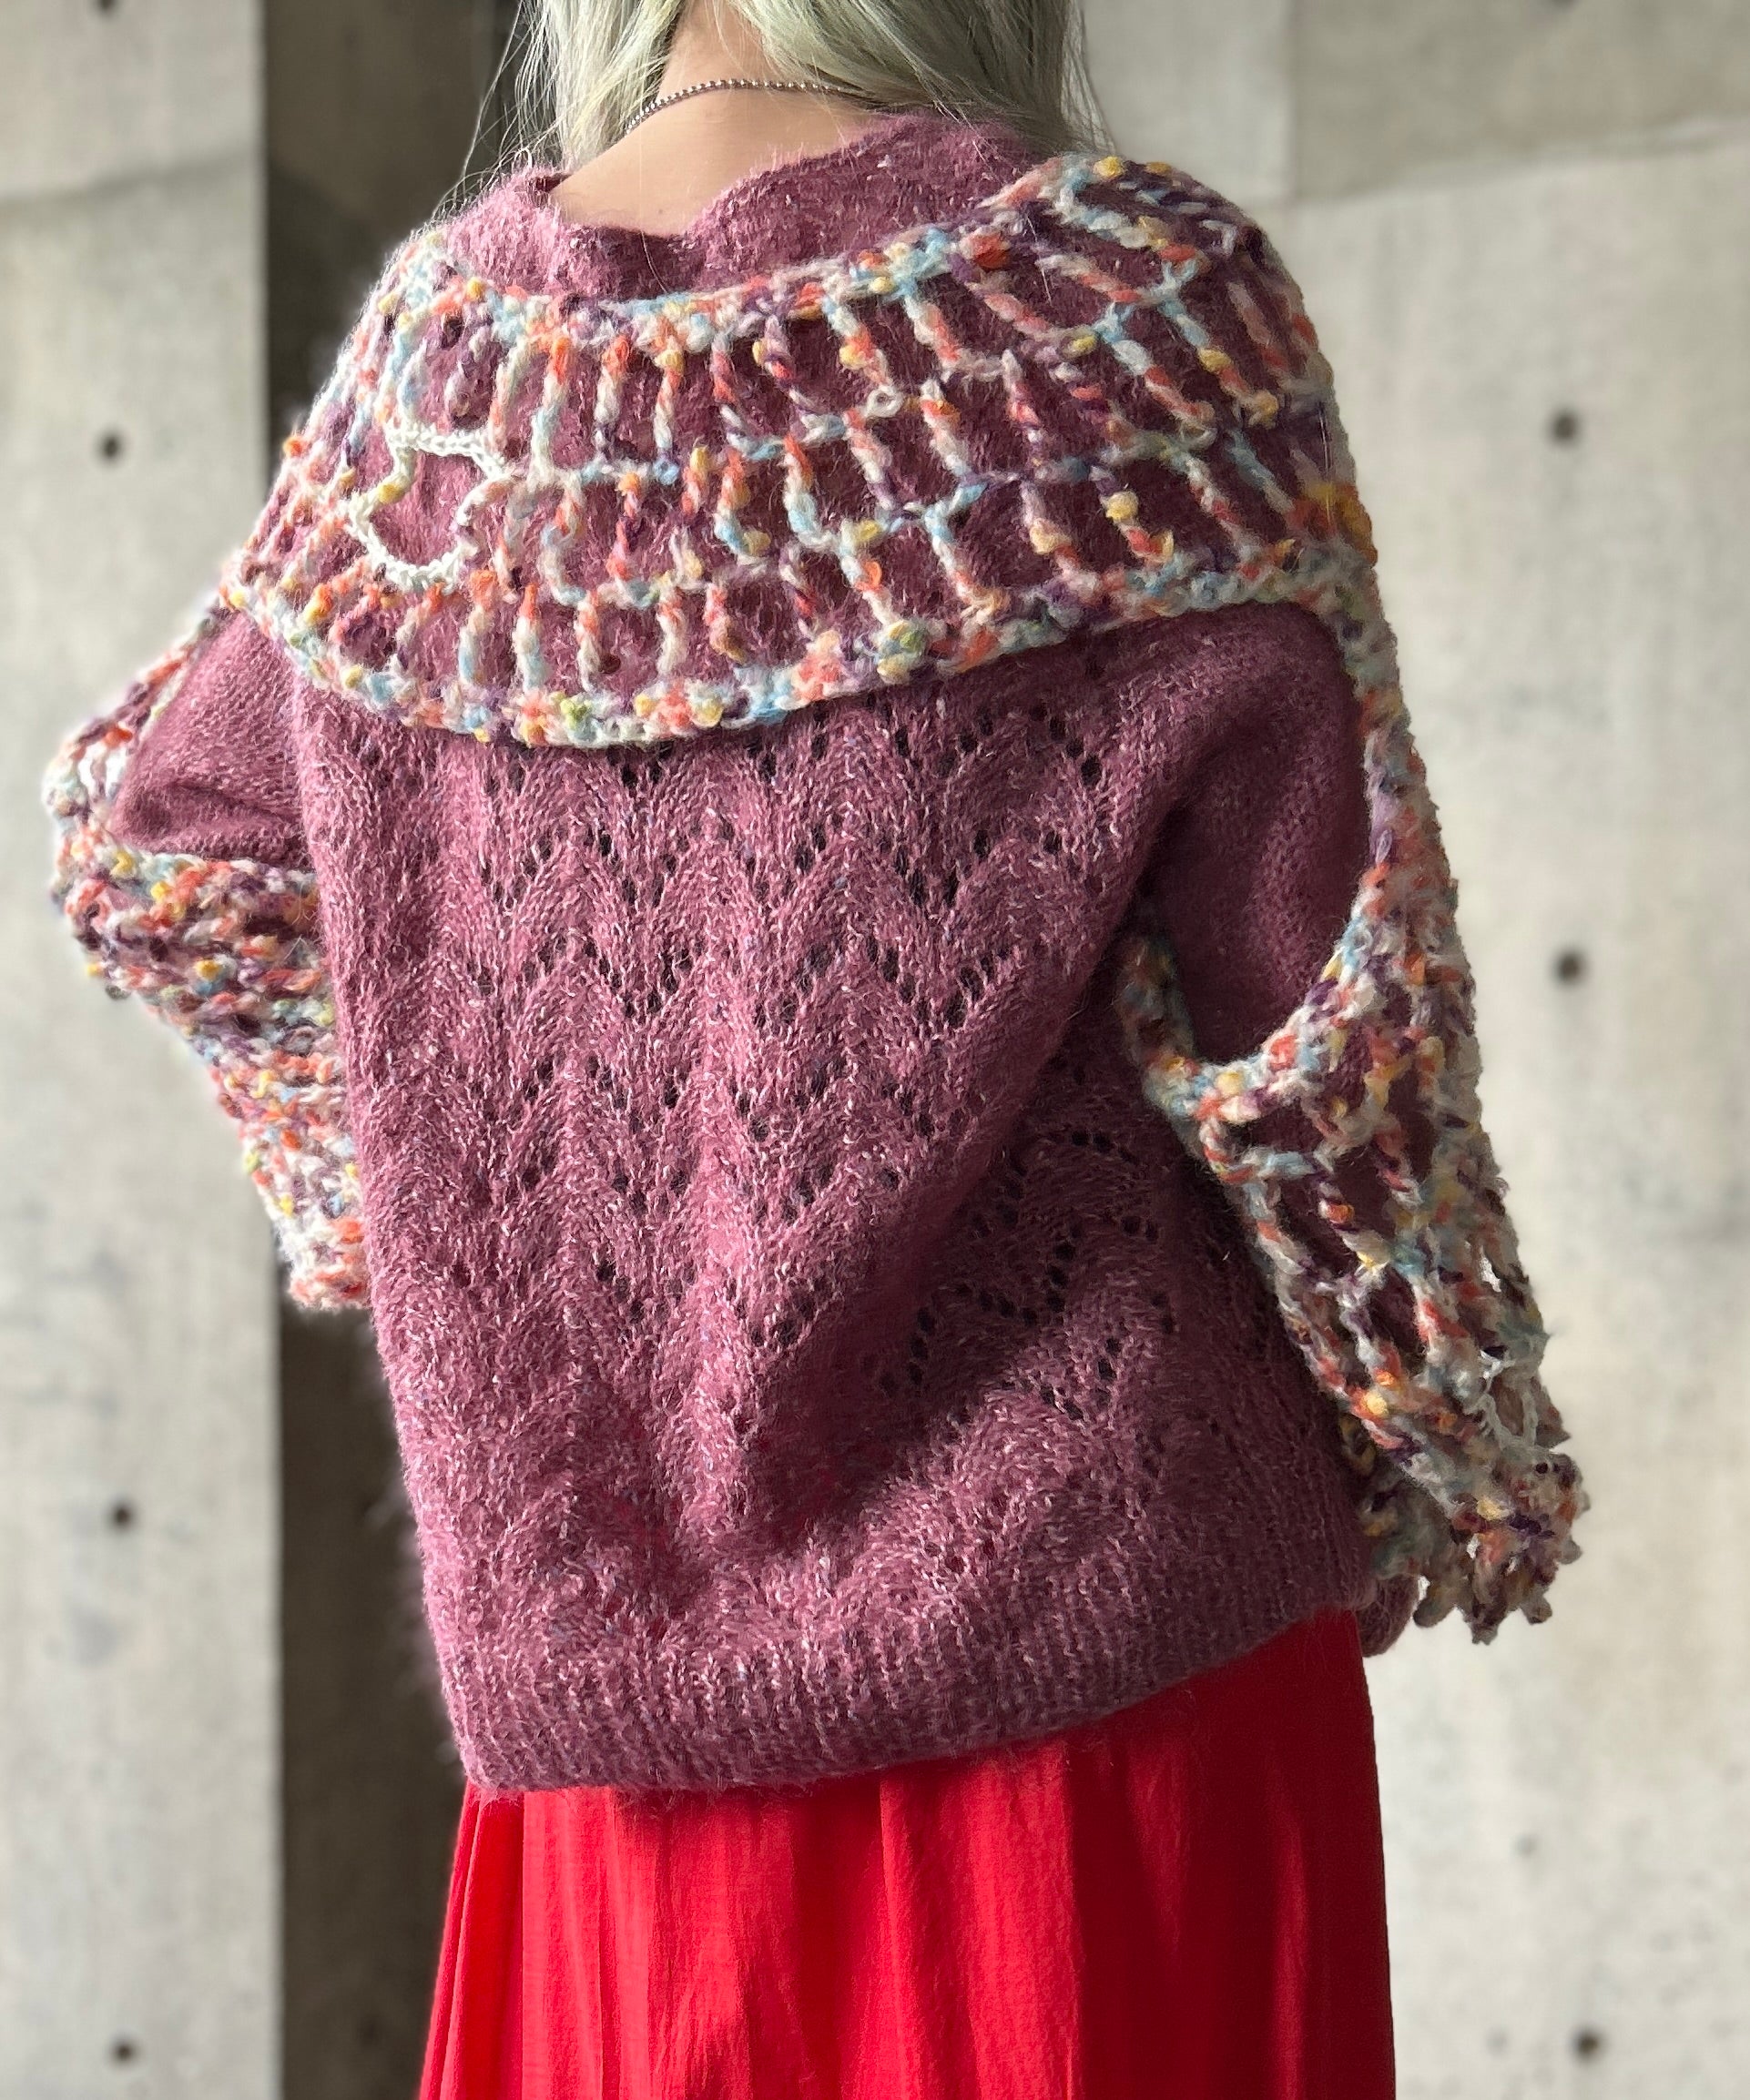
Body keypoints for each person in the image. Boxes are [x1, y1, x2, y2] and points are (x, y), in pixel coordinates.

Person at [40, 0, 1587, 2092]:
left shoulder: (445, 384)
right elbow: (1320, 1010)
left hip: (614, 1739)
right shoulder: (1117, 308)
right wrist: (1445, 1440)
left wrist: (441, 1209)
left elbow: (156, 848)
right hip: (1115, 1674)